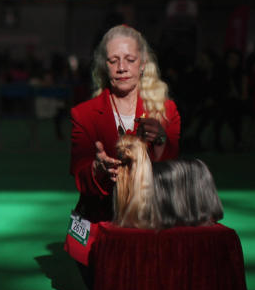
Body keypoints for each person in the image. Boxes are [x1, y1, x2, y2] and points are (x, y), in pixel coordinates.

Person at [70, 24, 181, 229]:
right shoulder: (83, 114)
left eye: (130, 60)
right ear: (104, 66)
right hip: (102, 218)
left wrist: (160, 141)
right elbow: (79, 175)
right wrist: (97, 169)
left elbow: (172, 173)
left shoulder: (167, 110)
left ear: (143, 64)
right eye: (114, 61)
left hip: (154, 219)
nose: (122, 67)